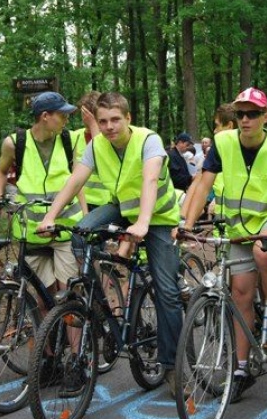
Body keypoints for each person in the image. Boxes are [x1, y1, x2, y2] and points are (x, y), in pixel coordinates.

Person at [38, 92, 183, 398]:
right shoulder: (97, 145)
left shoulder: (149, 140)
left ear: (128, 118)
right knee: (80, 232)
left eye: (115, 119)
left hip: (157, 216)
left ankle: (173, 367)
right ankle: (100, 296)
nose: (108, 127)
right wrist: (50, 216)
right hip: (122, 207)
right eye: (102, 121)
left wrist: (143, 223)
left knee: (167, 292)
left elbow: (150, 180)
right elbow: (75, 181)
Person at [183, 87, 267, 402]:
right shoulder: (222, 143)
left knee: (263, 253)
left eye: (252, 114)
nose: (245, 120)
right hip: (238, 227)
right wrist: (188, 225)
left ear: (266, 117)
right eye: (240, 114)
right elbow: (203, 183)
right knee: (240, 294)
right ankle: (240, 369)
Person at [0, 91, 82, 297]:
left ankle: (71, 326)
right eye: (62, 115)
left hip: (65, 229)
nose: (66, 119)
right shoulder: (14, 143)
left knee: (68, 298)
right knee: (42, 298)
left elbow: (78, 179)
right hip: (31, 232)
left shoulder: (69, 140)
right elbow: (1, 172)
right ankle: (48, 330)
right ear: (45, 116)